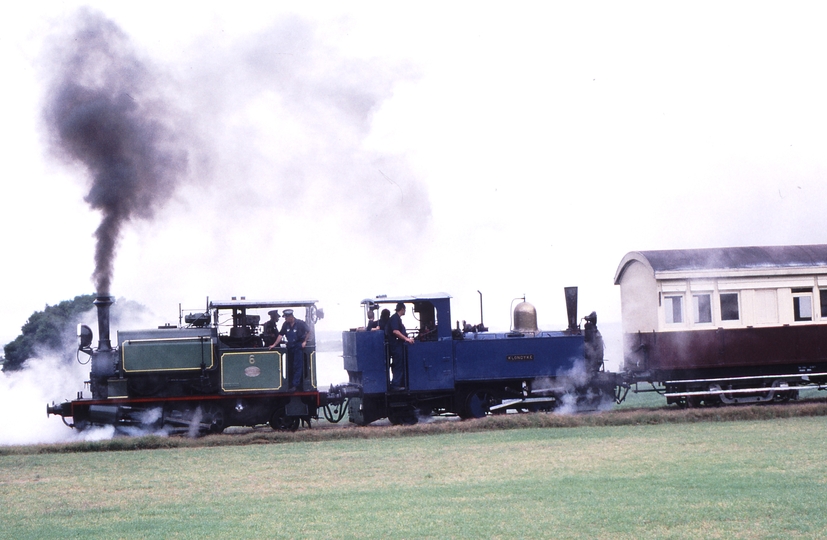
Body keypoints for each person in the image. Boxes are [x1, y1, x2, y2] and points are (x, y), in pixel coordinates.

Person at [269, 309, 311, 391]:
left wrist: (305, 341)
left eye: (286, 318)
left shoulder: (300, 323)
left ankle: (296, 385)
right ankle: (291, 384)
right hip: (290, 346)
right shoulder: (285, 324)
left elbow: (309, 331)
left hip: (298, 345)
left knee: (297, 366)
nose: (285, 319)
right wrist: (274, 344)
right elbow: (281, 335)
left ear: (291, 317)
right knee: (290, 366)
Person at [387, 302, 414, 390]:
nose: (405, 311)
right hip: (396, 346)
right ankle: (396, 385)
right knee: (398, 364)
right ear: (402, 309)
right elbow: (395, 331)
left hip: (398, 345)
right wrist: (406, 339)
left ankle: (400, 382)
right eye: (404, 309)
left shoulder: (397, 318)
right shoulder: (395, 318)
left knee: (399, 364)